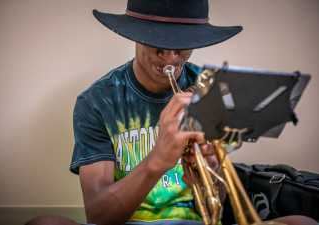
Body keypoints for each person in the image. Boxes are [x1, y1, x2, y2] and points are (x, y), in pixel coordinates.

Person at [26, 1, 317, 225]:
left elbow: (219, 202)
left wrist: (211, 171)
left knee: (303, 222)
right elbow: (99, 216)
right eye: (158, 43)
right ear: (136, 35)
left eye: (182, 45)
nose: (170, 56)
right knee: (43, 223)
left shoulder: (210, 88)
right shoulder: (97, 101)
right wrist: (157, 161)